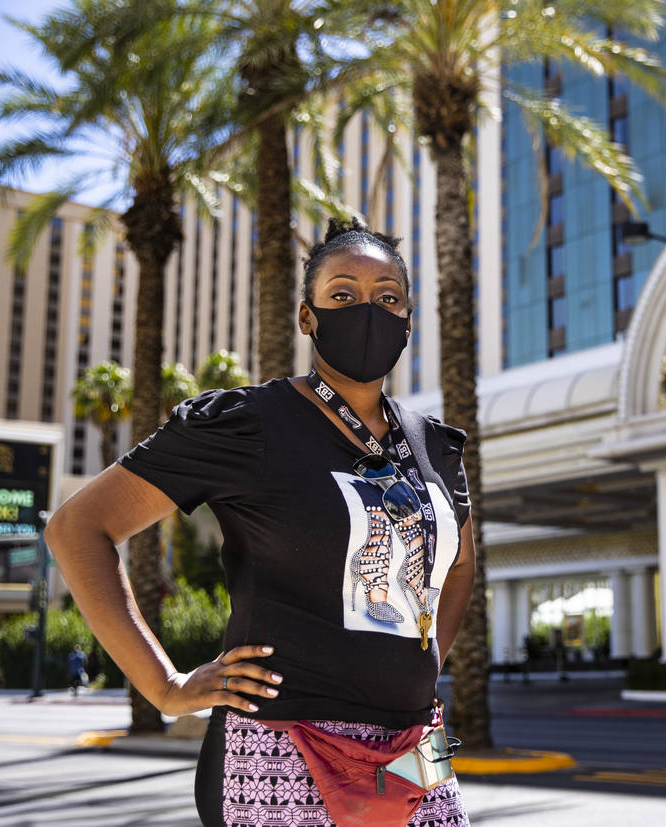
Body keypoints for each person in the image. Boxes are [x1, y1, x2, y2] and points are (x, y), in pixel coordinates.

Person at [45, 218, 476, 827]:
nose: (368, 310)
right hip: (281, 744)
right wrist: (165, 687)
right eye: (343, 295)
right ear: (307, 317)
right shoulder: (247, 424)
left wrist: (424, 664)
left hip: (415, 745)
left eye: (388, 297)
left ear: (408, 319)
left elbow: (458, 567)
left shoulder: (436, 447)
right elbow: (77, 528)